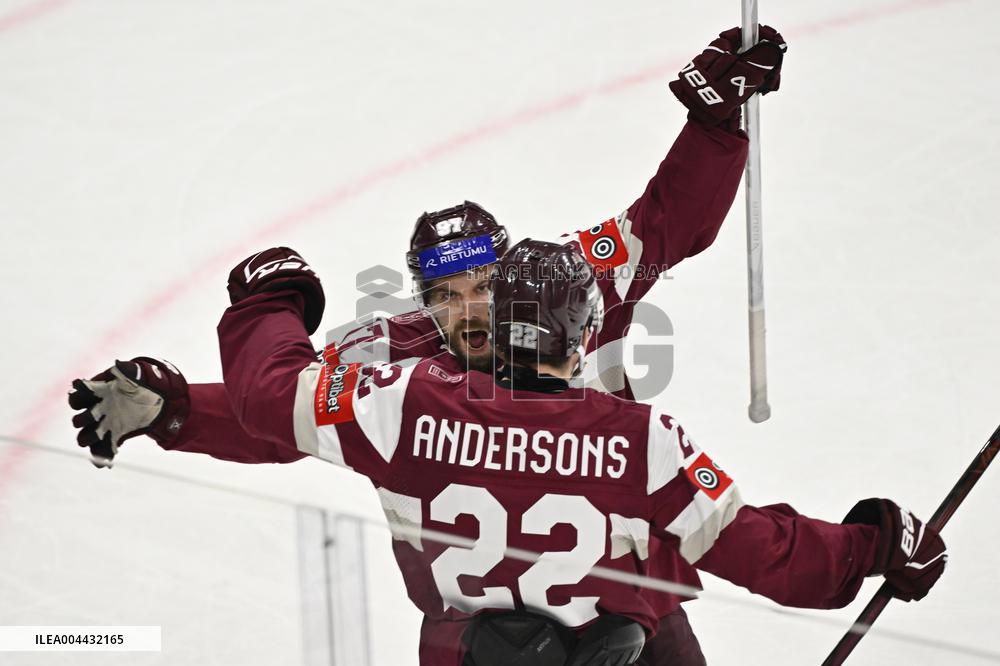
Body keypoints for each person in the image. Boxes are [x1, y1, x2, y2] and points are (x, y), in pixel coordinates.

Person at [69, 26, 795, 665]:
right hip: (477, 636)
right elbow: (280, 422)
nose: (468, 309)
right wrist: (174, 411)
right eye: (445, 296)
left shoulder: (571, 281)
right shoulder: (389, 360)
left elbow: (667, 220)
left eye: (481, 284)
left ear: (512, 271)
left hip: (629, 620)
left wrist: (713, 119)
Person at [71, 241, 947, 665]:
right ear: (581, 332)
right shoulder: (643, 442)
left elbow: (271, 401)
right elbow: (771, 558)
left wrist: (271, 305)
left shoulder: (401, 404)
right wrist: (875, 546)